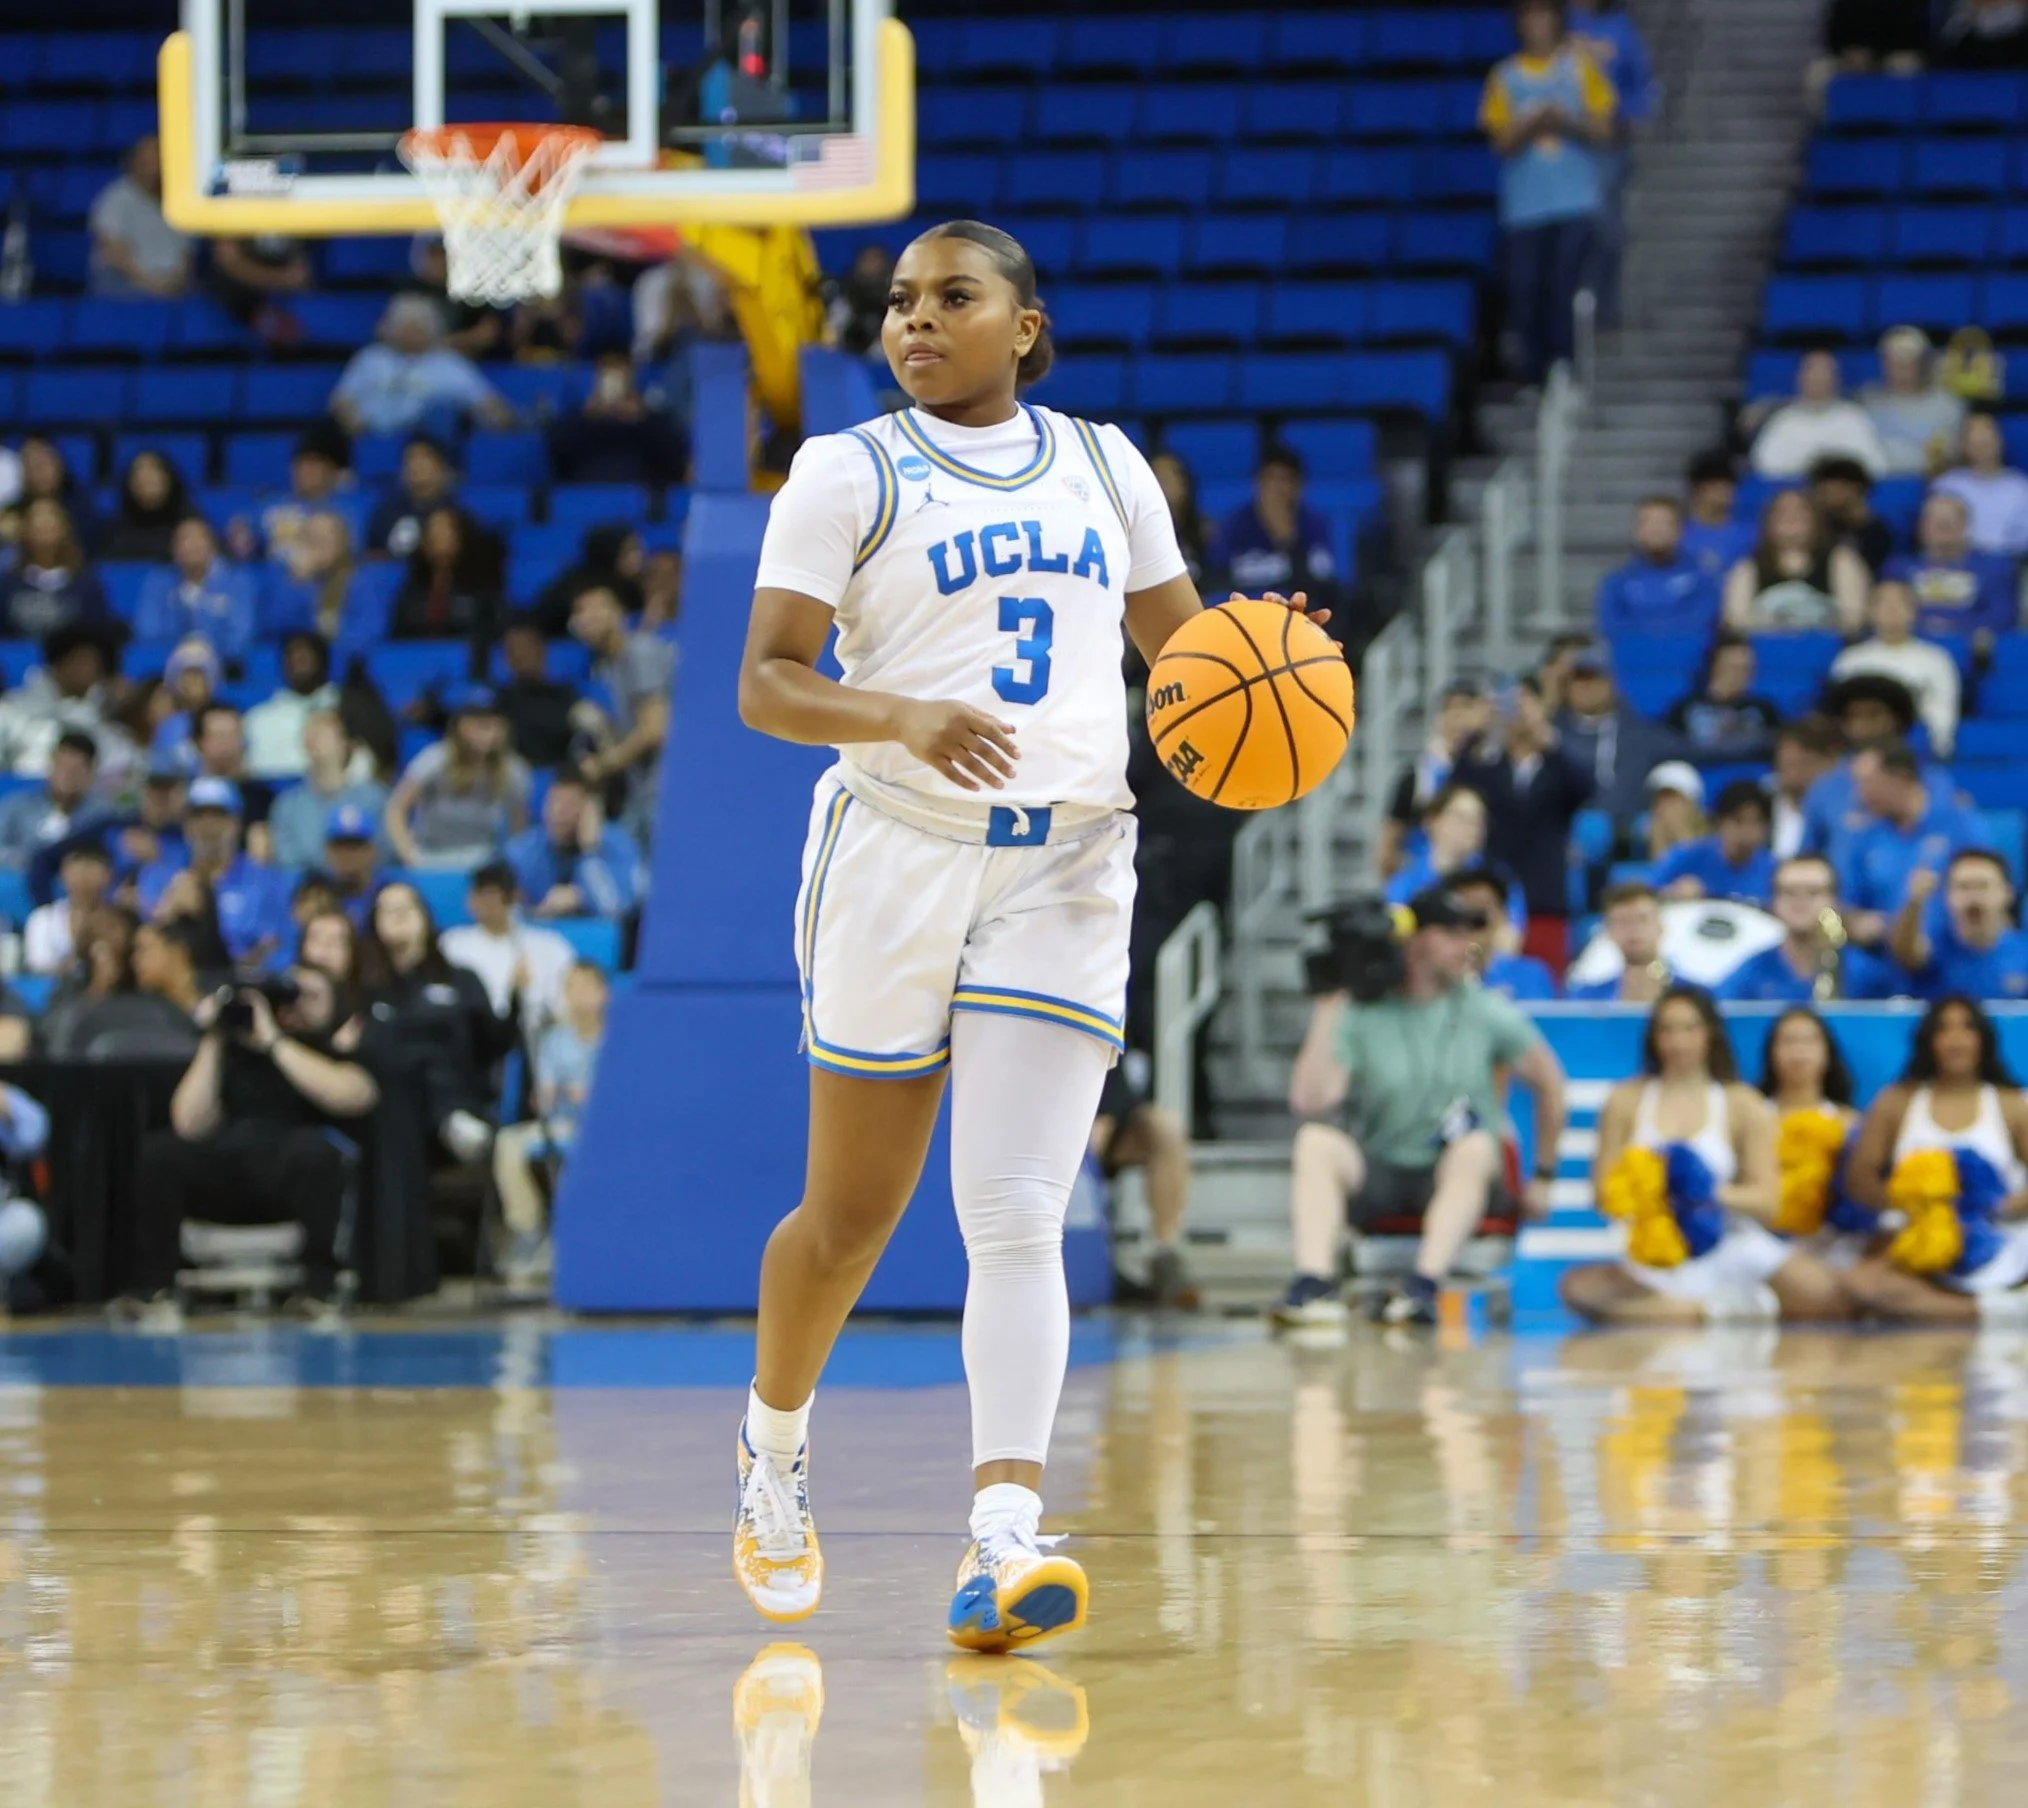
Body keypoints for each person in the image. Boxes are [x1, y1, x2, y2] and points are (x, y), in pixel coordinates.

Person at [730, 218, 1336, 1647]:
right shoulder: (846, 470)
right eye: (900, 301)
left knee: (1014, 1211)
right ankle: (772, 1444)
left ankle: (1002, 1538)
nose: (915, 321)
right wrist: (899, 715)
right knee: (851, 1221)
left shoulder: (1107, 466)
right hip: (896, 851)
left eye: (953, 297)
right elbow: (766, 683)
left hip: (1066, 862)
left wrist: (1269, 663)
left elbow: (1187, 661)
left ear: (1025, 325)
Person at [1269, 885, 1567, 1327]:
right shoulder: (1363, 1012)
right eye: (1450, 934)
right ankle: (1313, 1282)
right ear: (1414, 940)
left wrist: (1543, 1175)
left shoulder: (1486, 1010)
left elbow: (1551, 1083)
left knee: (1475, 1146)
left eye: (1468, 934)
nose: (1465, 946)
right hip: (1383, 1168)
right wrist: (1330, 1003)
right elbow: (1311, 1101)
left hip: (1457, 1171)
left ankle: (1423, 1285)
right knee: (1315, 1141)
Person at [1560, 988, 1836, 1325]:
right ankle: (1707, 1311)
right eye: (1668, 1030)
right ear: (1654, 1037)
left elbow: (1768, 1201)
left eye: (1689, 1029)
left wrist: (1705, 1192)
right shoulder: (1625, 1099)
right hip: (1655, 1249)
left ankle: (1682, 1313)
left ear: (1709, 1034)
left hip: (1728, 1243)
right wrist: (1652, 1190)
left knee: (1823, 1293)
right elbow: (1602, 1194)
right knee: (1578, 1288)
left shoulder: (1740, 1101)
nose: (1678, 1042)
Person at [118, 960, 378, 1316]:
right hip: (226, 1174)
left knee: (316, 1152)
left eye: (307, 997)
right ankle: (155, 1289)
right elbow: (188, 1124)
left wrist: (275, 1042)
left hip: (289, 1176)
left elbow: (356, 1096)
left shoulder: (324, 1048)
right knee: (159, 1153)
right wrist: (215, 1037)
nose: (291, 1007)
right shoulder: (228, 1051)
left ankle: (321, 1290)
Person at [1842, 996, 2028, 1325]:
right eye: (1944, 1029)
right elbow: (1860, 1178)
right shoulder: (1896, 1100)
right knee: (1861, 1284)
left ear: (1983, 1040)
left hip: (2001, 1238)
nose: (1956, 1040)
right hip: (1921, 1241)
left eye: (1967, 1028)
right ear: (1929, 1041)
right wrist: (1912, 1208)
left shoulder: (2010, 1102)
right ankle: (1991, 1311)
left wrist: (2000, 1206)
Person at [1479, 0, 1616, 386]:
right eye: (1529, 16)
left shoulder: (1578, 68)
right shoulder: (1505, 76)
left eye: (1543, 15)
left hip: (1573, 202)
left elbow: (1605, 130)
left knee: (1562, 286)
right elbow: (1499, 143)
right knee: (1525, 290)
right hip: (1525, 209)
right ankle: (1532, 375)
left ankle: (1564, 369)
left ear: (1557, 19)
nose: (1537, 24)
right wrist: (1526, 127)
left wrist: (1566, 122)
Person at [360, 880, 513, 1164]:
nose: (399, 915)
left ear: (425, 917)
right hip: (389, 1110)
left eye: (407, 907)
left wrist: (516, 1003)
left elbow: (492, 1044)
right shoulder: (365, 986)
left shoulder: (461, 979)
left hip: (460, 1091)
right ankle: (450, 1120)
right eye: (388, 910)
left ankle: (456, 1122)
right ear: (375, 924)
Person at [1453, 675, 1595, 969]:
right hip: (1496, 897)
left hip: (1545, 899)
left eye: (1526, 704)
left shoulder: (1556, 767)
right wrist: (1478, 733)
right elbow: (1457, 789)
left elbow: (1586, 788)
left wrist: (1547, 738)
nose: (1518, 713)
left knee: (1546, 980)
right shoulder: (1488, 769)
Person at [491, 959, 610, 1290]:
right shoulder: (555, 1039)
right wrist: (545, 1096)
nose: (579, 995)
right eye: (571, 987)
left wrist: (592, 1096)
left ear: (605, 993)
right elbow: (544, 1096)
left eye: (587, 987)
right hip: (561, 1124)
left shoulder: (619, 1039)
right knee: (508, 1142)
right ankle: (528, 1230)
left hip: (604, 1129)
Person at [134, 777, 294, 972]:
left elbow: (278, 947)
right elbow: (143, 945)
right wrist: (168, 912)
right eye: (198, 816)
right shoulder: (158, 875)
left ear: (236, 823)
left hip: (243, 983)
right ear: (186, 824)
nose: (208, 825)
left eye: (218, 816)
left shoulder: (266, 881)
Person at [1836, 742, 1984, 949]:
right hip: (1884, 954)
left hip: (1953, 953)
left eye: (1867, 783)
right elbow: (1845, 904)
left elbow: (1986, 890)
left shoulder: (1960, 823)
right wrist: (1855, 922)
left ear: (1900, 779)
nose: (1859, 796)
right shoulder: (1866, 836)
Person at [1758, 1007, 1867, 1287]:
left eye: (1809, 1041)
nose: (1798, 1052)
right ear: (1771, 1053)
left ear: (1827, 1053)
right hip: (1765, 1244)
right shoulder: (1752, 1117)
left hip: (1836, 1245)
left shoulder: (1850, 1122)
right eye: (1788, 1041)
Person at [570, 581, 674, 846]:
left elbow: (655, 729)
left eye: (595, 609)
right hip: (639, 790)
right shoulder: (604, 668)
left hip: (665, 789)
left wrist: (602, 765)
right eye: (579, 612)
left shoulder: (640, 651)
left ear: (618, 613)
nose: (586, 618)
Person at [383, 688, 532, 871]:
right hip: (430, 856)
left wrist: (512, 865)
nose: (486, 729)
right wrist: (411, 857)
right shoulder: (435, 760)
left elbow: (519, 828)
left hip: (483, 860)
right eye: (477, 721)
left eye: (493, 721)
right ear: (461, 725)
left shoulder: (514, 770)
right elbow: (396, 809)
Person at [1089, 1063, 1199, 1310]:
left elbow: (1118, 1080)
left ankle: (1164, 1252)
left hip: (1097, 1110)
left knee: (1166, 1127)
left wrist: (1107, 1114)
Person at [329, 294, 513, 438]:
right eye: (404, 325)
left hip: (429, 445)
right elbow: (340, 401)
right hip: (372, 439)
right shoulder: (370, 359)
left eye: (417, 326)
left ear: (432, 329)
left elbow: (487, 403)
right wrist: (359, 431)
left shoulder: (450, 363)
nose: (410, 333)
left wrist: (504, 422)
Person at [1719, 853, 1895, 1002]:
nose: (1800, 901)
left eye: (1813, 892)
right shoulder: (1751, 974)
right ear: (1773, 903)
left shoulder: (1866, 975)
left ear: (1835, 902)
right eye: (1789, 892)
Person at [1553, 641, 1687, 830]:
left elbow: (1695, 749)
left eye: (1594, 678)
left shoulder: (1639, 734)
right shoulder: (1552, 736)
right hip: (1568, 831)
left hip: (1630, 830)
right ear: (1567, 688)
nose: (1586, 687)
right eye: (1579, 679)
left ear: (1611, 684)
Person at [440, 860, 577, 1037]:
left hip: (534, 1038)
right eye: (481, 895)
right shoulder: (451, 945)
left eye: (495, 896)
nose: (488, 904)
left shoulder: (550, 946)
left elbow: (567, 1007)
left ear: (514, 897)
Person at [1828, 581, 1962, 757]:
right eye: (1883, 603)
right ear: (1870, 611)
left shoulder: (1936, 659)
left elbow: (1942, 710)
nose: (1892, 610)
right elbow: (1838, 711)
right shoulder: (1850, 660)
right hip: (1856, 746)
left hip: (1911, 747)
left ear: (1913, 611)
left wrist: (1939, 746)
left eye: (1900, 603)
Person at [1381, 679, 1493, 876]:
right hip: (1425, 879)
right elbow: (1388, 845)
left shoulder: (1490, 774)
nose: (1459, 720)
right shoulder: (1418, 777)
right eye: (1452, 710)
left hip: (1473, 879)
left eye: (1466, 710)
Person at [1213, 446, 1339, 617]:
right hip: (1245, 613)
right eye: (1271, 479)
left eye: (1285, 480)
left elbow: (1322, 585)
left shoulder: (1314, 524)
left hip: (1299, 615)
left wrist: (1287, 540)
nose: (1277, 488)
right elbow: (1218, 581)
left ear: (1299, 486)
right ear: (1257, 484)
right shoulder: (1235, 525)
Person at [1722, 488, 1868, 634]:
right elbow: (1735, 620)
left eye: (1799, 512)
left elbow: (1854, 618)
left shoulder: (1841, 560)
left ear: (1815, 519)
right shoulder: (1748, 567)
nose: (1790, 518)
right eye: (1782, 513)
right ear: (1768, 522)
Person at [1888, 849, 2028, 1002]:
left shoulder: (2023, 953)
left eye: (1983, 886)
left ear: (2008, 893)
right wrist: (1915, 901)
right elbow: (1905, 953)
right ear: (1946, 895)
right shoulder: (1935, 949)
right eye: (1963, 887)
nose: (1973, 896)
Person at [503, 768, 643, 920]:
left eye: (568, 805)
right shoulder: (525, 849)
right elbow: (501, 910)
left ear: (590, 810)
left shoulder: (619, 845)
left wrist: (590, 854)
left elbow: (615, 908)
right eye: (553, 802)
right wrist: (539, 913)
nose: (557, 812)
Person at [1383, 784, 1526, 931]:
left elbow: (1511, 934)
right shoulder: (1404, 883)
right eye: (1461, 818)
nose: (1471, 828)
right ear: (1432, 821)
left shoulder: (1502, 882)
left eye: (1478, 821)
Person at [1883, 490, 2017, 646]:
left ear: (1966, 526)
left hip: (1971, 648)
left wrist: (1956, 633)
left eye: (1949, 523)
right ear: (1921, 526)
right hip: (1911, 645)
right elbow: (1886, 611)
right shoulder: (1899, 568)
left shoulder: (1994, 567)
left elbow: (2001, 617)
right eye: (1935, 523)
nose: (1942, 530)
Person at [267, 710, 387, 875]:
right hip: (307, 886)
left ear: (344, 743)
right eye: (309, 732)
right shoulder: (287, 804)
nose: (313, 737)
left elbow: (383, 851)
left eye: (322, 731)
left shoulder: (373, 798)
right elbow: (287, 859)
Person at [0, 625, 125, 781]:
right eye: (79, 661)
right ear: (59, 661)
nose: (85, 670)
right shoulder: (13, 709)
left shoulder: (104, 719)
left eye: (92, 663)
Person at [1592, 495, 1722, 643]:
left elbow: (1702, 621)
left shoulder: (1703, 576)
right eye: (1648, 522)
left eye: (1664, 523)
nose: (1656, 529)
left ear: (1680, 530)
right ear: (1636, 530)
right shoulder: (1617, 581)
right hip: (1633, 654)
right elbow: (1610, 626)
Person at [546, 353, 688, 486]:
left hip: (641, 493)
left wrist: (639, 416)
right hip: (587, 492)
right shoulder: (579, 422)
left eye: (619, 380)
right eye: (607, 380)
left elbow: (673, 458)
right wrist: (590, 416)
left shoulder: (651, 423)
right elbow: (557, 453)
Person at [133, 517, 258, 664]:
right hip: (169, 665)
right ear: (174, 549)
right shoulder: (158, 581)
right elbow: (147, 631)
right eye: (184, 539)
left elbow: (241, 635)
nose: (192, 545)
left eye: (199, 538)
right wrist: (184, 652)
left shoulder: (236, 581)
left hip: (225, 665)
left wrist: (202, 653)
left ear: (212, 545)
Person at [1749, 350, 1889, 478]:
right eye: (1813, 373)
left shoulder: (1854, 418)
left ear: (1836, 379)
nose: (1819, 379)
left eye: (1825, 373)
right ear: (1800, 378)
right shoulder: (1783, 420)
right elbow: (1764, 466)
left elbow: (1876, 464)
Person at [89, 136, 190, 298]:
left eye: (157, 161)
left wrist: (173, 284)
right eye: (147, 162)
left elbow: (187, 254)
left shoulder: (180, 200)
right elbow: (113, 251)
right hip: (128, 285)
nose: (153, 169)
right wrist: (150, 285)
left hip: (174, 287)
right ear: (134, 163)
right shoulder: (115, 198)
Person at [390, 506, 504, 645]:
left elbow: (490, 630)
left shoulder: (481, 585)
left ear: (461, 537)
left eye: (445, 531)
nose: (438, 538)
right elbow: (400, 635)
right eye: (432, 532)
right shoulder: (413, 587)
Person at [1654, 778, 1776, 907]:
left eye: (1755, 823)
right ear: (1719, 822)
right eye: (1738, 821)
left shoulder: (1773, 870)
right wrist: (1672, 893)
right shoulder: (1687, 856)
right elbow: (1648, 893)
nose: (1746, 831)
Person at [0, 730, 108, 874]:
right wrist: (37, 860)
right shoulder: (16, 806)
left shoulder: (101, 816)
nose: (66, 776)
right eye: (61, 766)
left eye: (75, 770)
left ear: (90, 772)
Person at [1862, 326, 1965, 476]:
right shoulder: (1867, 401)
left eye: (1909, 359)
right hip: (1877, 481)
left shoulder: (1948, 406)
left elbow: (1953, 456)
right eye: (1895, 360)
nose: (1902, 366)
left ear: (1923, 362)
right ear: (1884, 363)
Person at [1662, 632, 1782, 761]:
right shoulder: (1685, 710)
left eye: (1748, 668)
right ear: (1714, 667)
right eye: (1735, 668)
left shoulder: (1764, 710)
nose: (1743, 675)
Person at [0, 499, 109, 639]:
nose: (44, 535)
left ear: (64, 530)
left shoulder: (86, 584)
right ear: (25, 532)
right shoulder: (8, 585)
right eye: (38, 528)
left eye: (49, 527)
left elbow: (98, 634)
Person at [1450, 865, 1558, 1000]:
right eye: (1464, 913)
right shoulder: (1440, 975)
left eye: (1480, 914)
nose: (1471, 923)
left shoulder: (1531, 975)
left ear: (1503, 915)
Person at [1933, 409, 2028, 557]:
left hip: (2011, 560)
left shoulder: (2020, 486)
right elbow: (1934, 530)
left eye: (1986, 443)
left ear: (2000, 441)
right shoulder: (1947, 485)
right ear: (1964, 446)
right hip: (1958, 558)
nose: (1982, 449)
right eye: (1976, 444)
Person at [494, 616, 582, 770]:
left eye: (526, 648)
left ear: (542, 651)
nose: (520, 655)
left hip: (563, 777)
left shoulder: (567, 697)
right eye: (513, 650)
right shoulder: (498, 702)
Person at [1565, 881, 1673, 1004]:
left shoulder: (1690, 993)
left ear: (1660, 926)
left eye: (1642, 919)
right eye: (1623, 922)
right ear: (1609, 931)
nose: (1634, 929)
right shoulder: (1586, 1000)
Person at [23, 840, 114, 976]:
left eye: (91, 865)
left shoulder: (119, 920)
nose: (84, 873)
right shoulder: (43, 918)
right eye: (77, 865)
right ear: (62, 873)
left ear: (108, 874)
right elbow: (39, 967)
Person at [364, 435, 462, 560]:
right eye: (410, 458)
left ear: (441, 466)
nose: (416, 464)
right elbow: (371, 555)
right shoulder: (386, 511)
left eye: (424, 458)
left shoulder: (454, 513)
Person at [1809, 454, 1894, 577]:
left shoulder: (1878, 534)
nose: (1822, 495)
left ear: (1854, 487)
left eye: (1831, 487)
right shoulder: (1820, 530)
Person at [104, 450, 194, 564]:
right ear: (130, 485)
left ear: (168, 478)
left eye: (153, 474)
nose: (147, 478)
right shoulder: (114, 534)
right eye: (140, 475)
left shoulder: (190, 525)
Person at [1679, 449, 1755, 582]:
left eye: (1729, 486)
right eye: (1716, 486)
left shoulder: (1750, 535)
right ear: (1697, 489)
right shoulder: (1678, 533)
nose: (1724, 492)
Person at [1770, 717, 1841, 858]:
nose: (1795, 774)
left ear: (1828, 762)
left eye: (1804, 763)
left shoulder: (1839, 811)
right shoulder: (1764, 801)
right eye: (1787, 764)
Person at [1149, 451, 1210, 588]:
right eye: (1156, 476)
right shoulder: (1136, 539)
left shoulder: (1207, 533)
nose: (1162, 484)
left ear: (1184, 483)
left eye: (1168, 477)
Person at [319, 804, 385, 928]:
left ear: (372, 850)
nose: (347, 855)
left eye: (355, 846)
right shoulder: (316, 897)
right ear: (327, 852)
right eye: (340, 846)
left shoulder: (387, 895)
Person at [1642, 759, 1706, 864]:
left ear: (1691, 805)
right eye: (1658, 801)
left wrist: (1682, 834)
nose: (1663, 808)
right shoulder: (1649, 829)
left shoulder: (1717, 847)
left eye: (1671, 800)